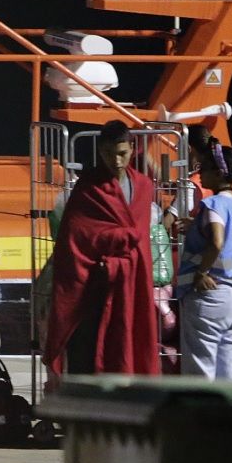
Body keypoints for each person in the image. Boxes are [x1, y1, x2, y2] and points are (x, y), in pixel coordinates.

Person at [45, 120, 159, 379]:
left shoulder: (143, 186)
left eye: (122, 153)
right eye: (109, 154)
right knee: (87, 347)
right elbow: (76, 236)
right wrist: (118, 240)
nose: (116, 161)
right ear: (100, 152)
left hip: (129, 282)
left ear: (131, 149)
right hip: (93, 285)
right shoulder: (88, 187)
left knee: (127, 340)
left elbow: (139, 236)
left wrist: (125, 245)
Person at [175, 143, 232, 381]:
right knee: (230, 368)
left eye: (205, 168)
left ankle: (200, 418)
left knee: (200, 370)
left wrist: (202, 272)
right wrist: (195, 228)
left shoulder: (214, 204)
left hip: (211, 296)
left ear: (220, 174)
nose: (200, 173)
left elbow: (218, 241)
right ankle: (230, 417)